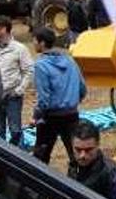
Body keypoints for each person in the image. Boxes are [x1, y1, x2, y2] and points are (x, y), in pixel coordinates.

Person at [32, 26, 87, 164]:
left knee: (41, 156)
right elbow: (82, 88)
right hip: (71, 115)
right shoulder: (70, 61)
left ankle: (39, 183)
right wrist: (72, 101)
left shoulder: (41, 66)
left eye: (34, 40)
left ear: (42, 43)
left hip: (50, 117)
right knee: (77, 154)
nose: (33, 43)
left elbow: (44, 97)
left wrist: (37, 115)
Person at [0, 16, 33, 148]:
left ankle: (18, 160)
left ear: (3, 29)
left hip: (12, 97)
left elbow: (29, 71)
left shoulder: (19, 49)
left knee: (15, 131)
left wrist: (19, 91)